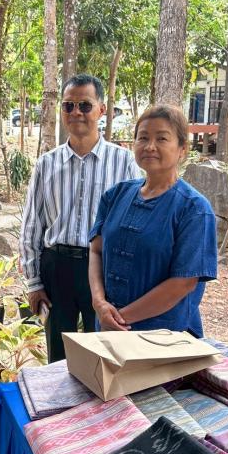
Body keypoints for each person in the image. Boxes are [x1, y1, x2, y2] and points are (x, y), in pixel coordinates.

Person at [20, 74, 141, 362]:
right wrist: (34, 282)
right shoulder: (46, 164)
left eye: (85, 105)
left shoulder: (123, 162)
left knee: (104, 351)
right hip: (57, 267)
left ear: (102, 110)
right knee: (58, 353)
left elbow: (133, 223)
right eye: (68, 105)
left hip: (102, 268)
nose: (76, 112)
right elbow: (32, 225)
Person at [88, 104, 217, 335]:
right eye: (143, 138)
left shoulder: (194, 209)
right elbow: (96, 251)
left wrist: (119, 319)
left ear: (182, 149)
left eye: (162, 138)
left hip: (163, 338)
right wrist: (99, 303)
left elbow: (183, 283)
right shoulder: (115, 195)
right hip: (108, 330)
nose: (150, 146)